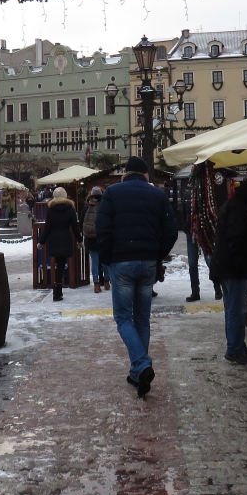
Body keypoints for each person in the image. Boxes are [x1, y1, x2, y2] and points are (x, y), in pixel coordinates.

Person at [95, 156, 178, 398]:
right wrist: (157, 254)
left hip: (122, 262)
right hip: (148, 263)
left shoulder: (112, 193)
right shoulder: (158, 195)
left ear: (125, 173)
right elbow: (171, 231)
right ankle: (137, 372)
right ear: (146, 175)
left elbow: (102, 228)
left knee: (123, 318)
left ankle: (141, 364)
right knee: (142, 318)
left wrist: (108, 258)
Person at [209, 179, 247, 365]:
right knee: (236, 309)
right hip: (234, 269)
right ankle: (235, 349)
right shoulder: (239, 209)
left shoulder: (232, 205)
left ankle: (236, 345)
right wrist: (242, 264)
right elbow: (236, 238)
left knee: (232, 308)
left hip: (226, 266)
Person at [40, 187, 81, 302]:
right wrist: (79, 240)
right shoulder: (70, 209)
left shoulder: (51, 210)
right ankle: (57, 292)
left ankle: (58, 290)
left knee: (59, 264)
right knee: (61, 265)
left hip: (54, 239)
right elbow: (75, 227)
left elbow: (47, 228)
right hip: (65, 239)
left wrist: (42, 241)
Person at [81, 187, 108, 293]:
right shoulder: (105, 206)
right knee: (105, 261)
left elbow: (81, 223)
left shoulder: (86, 207)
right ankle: (106, 282)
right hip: (103, 238)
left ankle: (96, 284)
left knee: (95, 262)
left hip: (90, 239)